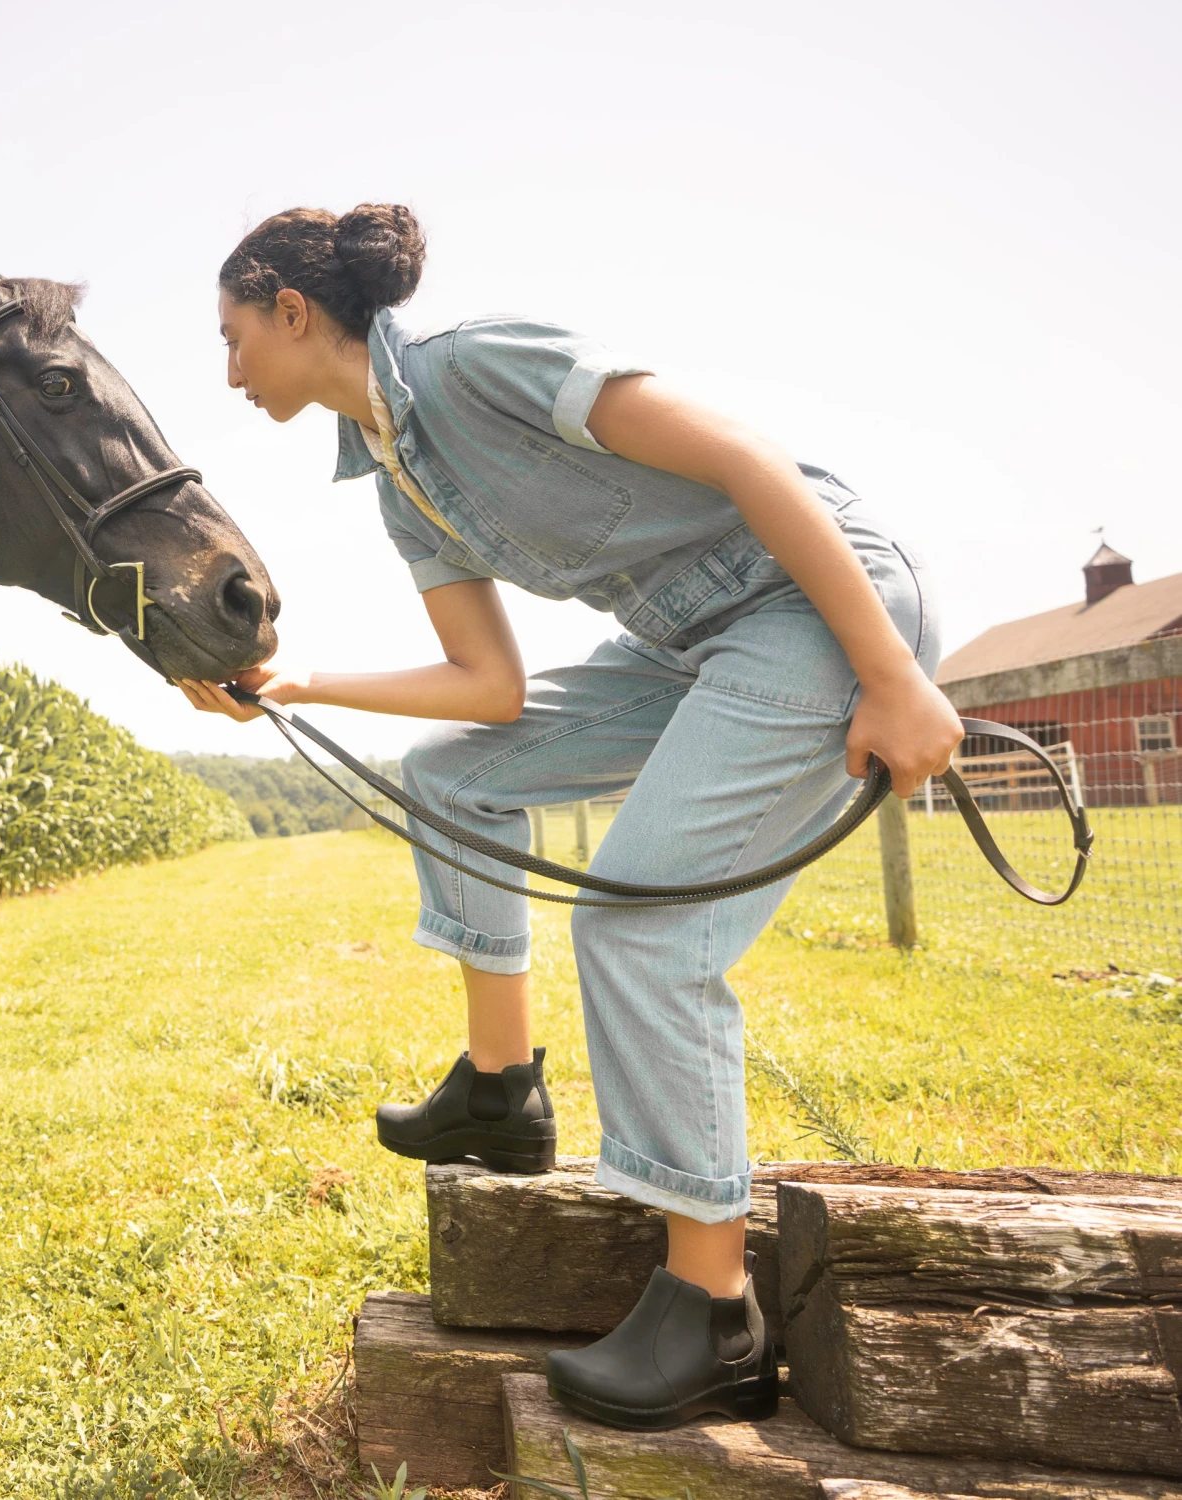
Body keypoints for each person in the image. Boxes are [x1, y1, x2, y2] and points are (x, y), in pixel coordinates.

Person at [178, 203, 962, 1431]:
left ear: (291, 310)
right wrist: (298, 680)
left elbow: (751, 462)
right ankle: (502, 1093)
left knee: (641, 925)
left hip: (808, 605)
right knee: (452, 770)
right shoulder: (398, 483)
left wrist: (894, 674)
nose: (226, 371)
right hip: (681, 641)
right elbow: (487, 691)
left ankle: (714, 1316)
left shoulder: (474, 362)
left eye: (232, 338)